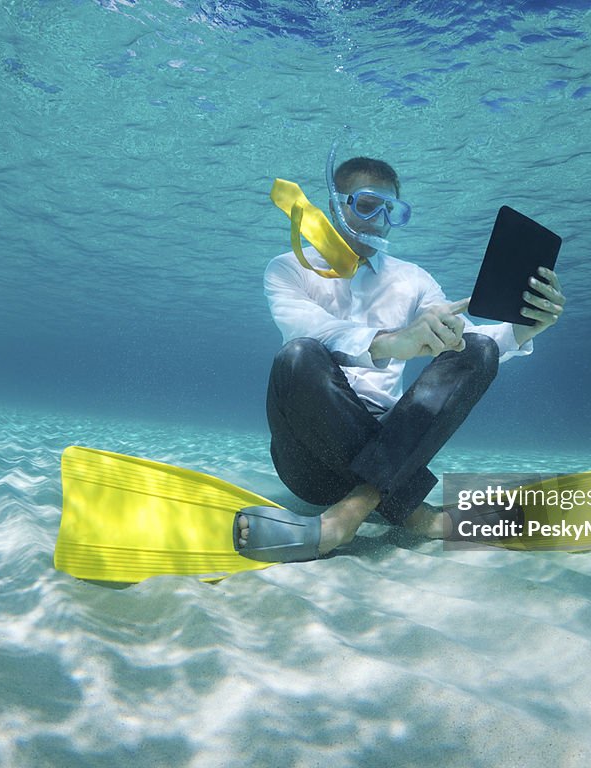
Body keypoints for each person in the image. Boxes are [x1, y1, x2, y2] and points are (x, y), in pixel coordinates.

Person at [239, 153, 565, 559]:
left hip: (392, 443)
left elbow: (463, 340)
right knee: (297, 355)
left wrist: (524, 327)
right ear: (335, 205)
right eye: (366, 204)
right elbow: (311, 331)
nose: (378, 220)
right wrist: (393, 342)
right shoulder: (287, 268)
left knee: (477, 347)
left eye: (391, 210)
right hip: (308, 462)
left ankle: (351, 511)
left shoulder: (413, 279)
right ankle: (420, 518)